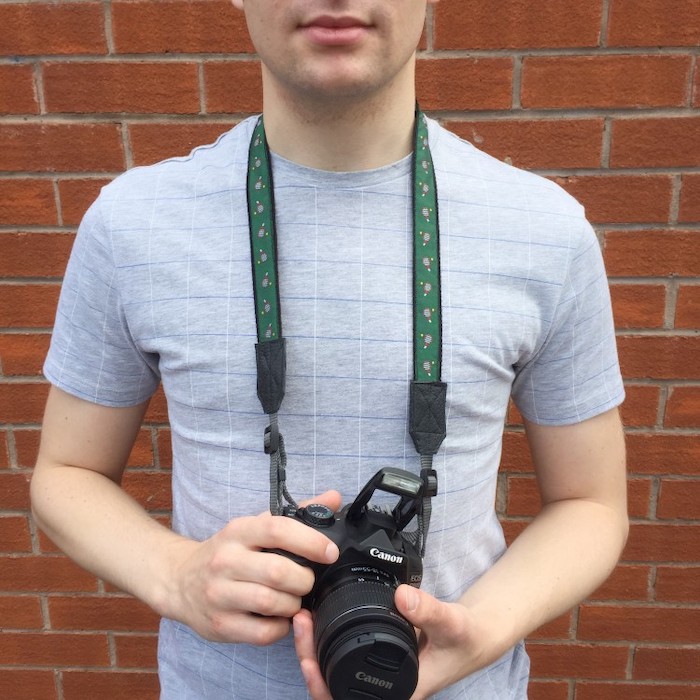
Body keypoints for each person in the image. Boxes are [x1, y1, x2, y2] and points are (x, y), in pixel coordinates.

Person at [30, 1, 629, 698]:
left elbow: (591, 502)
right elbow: (65, 472)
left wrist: (479, 631)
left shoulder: (545, 232)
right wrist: (177, 577)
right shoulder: (132, 225)